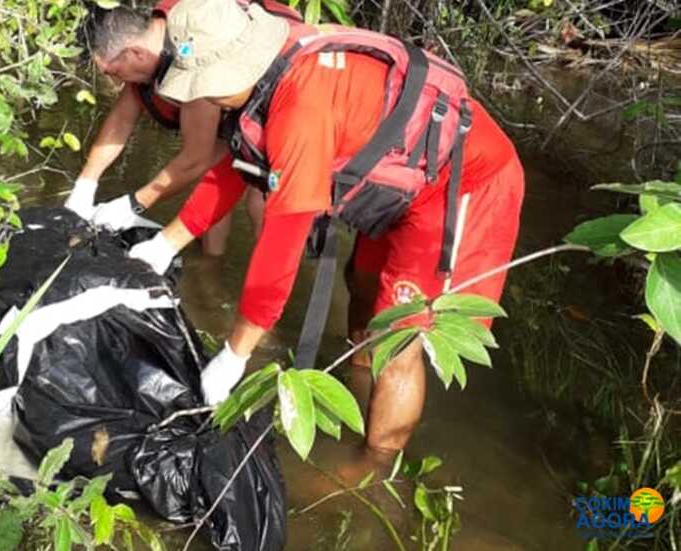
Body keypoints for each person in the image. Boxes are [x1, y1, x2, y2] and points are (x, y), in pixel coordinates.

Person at [130, 0, 525, 459]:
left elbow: (281, 245)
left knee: (399, 336)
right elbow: (240, 167)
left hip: (460, 185)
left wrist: (234, 355)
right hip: (403, 179)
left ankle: (376, 466)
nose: (205, 99)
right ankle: (359, 380)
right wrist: (165, 243)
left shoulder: (300, 107)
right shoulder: (270, 70)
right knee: (361, 286)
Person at [64, 2, 266, 255]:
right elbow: (121, 120)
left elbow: (196, 158)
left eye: (113, 71)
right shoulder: (148, 52)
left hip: (275, 114)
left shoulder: (193, 59)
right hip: (225, 128)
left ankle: (255, 278)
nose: (114, 80)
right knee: (211, 186)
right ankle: (210, 265)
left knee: (260, 200)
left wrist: (133, 204)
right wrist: (85, 184)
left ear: (135, 53)